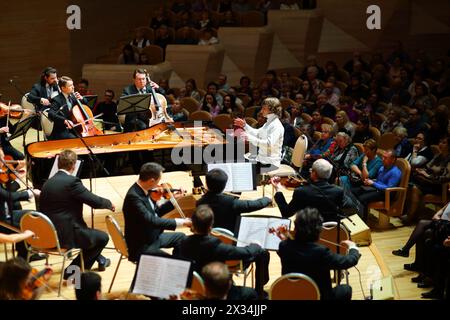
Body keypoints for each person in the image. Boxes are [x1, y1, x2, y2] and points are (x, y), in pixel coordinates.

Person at [39, 149, 115, 277]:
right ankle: (72, 273)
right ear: (73, 165)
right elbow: (93, 201)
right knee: (102, 238)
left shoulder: (47, 182)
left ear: (58, 164)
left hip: (48, 233)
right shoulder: (72, 182)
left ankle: (79, 271)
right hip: (66, 234)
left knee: (90, 238)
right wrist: (108, 204)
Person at [179, 205, 269, 299]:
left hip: (194, 287)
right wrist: (255, 246)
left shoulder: (183, 242)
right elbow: (246, 252)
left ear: (193, 224)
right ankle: (260, 293)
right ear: (210, 226)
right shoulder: (216, 246)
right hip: (215, 289)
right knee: (251, 293)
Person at [275, 207, 361, 300]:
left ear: (296, 228)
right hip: (318, 296)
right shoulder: (321, 252)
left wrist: (287, 236)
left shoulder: (284, 246)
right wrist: (353, 249)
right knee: (346, 290)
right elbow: (347, 262)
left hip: (291, 295)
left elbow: (290, 248)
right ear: (319, 231)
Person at [122, 162, 191, 262]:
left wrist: (173, 200)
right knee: (171, 262)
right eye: (158, 181)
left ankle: (176, 268)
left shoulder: (144, 190)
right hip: (141, 246)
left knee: (182, 238)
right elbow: (152, 220)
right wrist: (182, 222)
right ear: (151, 181)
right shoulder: (134, 197)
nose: (159, 185)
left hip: (152, 237)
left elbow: (156, 212)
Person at [271, 159, 352, 221]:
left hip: (307, 231)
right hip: (330, 232)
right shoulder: (338, 191)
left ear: (314, 173)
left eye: (311, 170)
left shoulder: (301, 192)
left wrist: (278, 189)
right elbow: (349, 204)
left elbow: (286, 213)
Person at [197, 168, 272, 232]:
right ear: (225, 185)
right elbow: (255, 204)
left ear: (206, 184)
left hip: (210, 239)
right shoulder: (231, 202)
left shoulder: (199, 203)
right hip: (232, 240)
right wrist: (267, 198)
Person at [234, 97, 285, 171]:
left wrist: (248, 137)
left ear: (272, 110)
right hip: (262, 160)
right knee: (239, 161)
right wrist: (245, 125)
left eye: (264, 108)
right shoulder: (269, 123)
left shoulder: (276, 125)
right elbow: (257, 133)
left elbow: (268, 144)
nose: (261, 111)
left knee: (241, 166)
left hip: (270, 164)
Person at [351, 149, 402, 221]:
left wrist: (373, 183)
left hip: (386, 194)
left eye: (385, 158)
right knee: (354, 191)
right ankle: (353, 215)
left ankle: (363, 221)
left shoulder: (395, 172)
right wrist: (370, 181)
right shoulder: (382, 167)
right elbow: (378, 181)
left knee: (362, 198)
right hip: (377, 189)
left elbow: (389, 188)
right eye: (383, 157)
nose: (383, 159)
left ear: (393, 160)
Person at [47, 76, 88, 140]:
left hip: (74, 129)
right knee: (77, 140)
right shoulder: (57, 100)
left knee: (85, 138)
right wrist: (64, 121)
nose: (73, 87)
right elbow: (51, 114)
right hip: (62, 130)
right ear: (63, 88)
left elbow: (87, 105)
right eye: (70, 86)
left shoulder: (73, 97)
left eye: (73, 85)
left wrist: (82, 98)